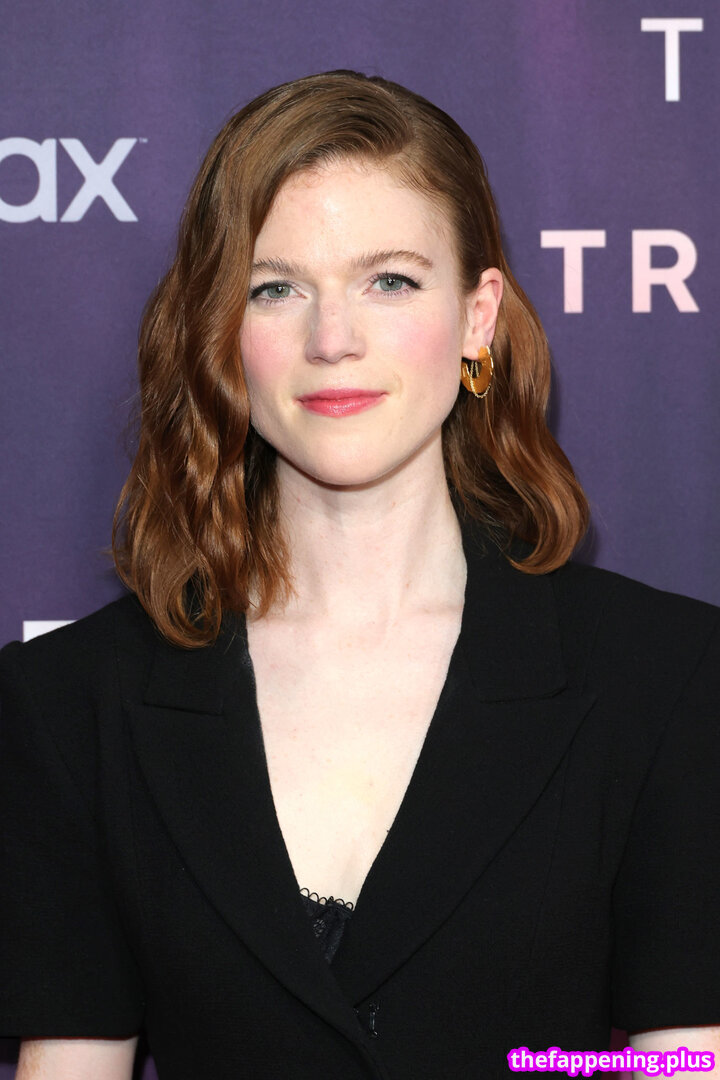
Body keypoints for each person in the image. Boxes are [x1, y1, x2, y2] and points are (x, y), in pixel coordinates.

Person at [1, 69, 719, 1080]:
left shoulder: (667, 678)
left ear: (478, 318)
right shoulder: (72, 704)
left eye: (390, 281)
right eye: (276, 288)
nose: (332, 339)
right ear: (218, 332)